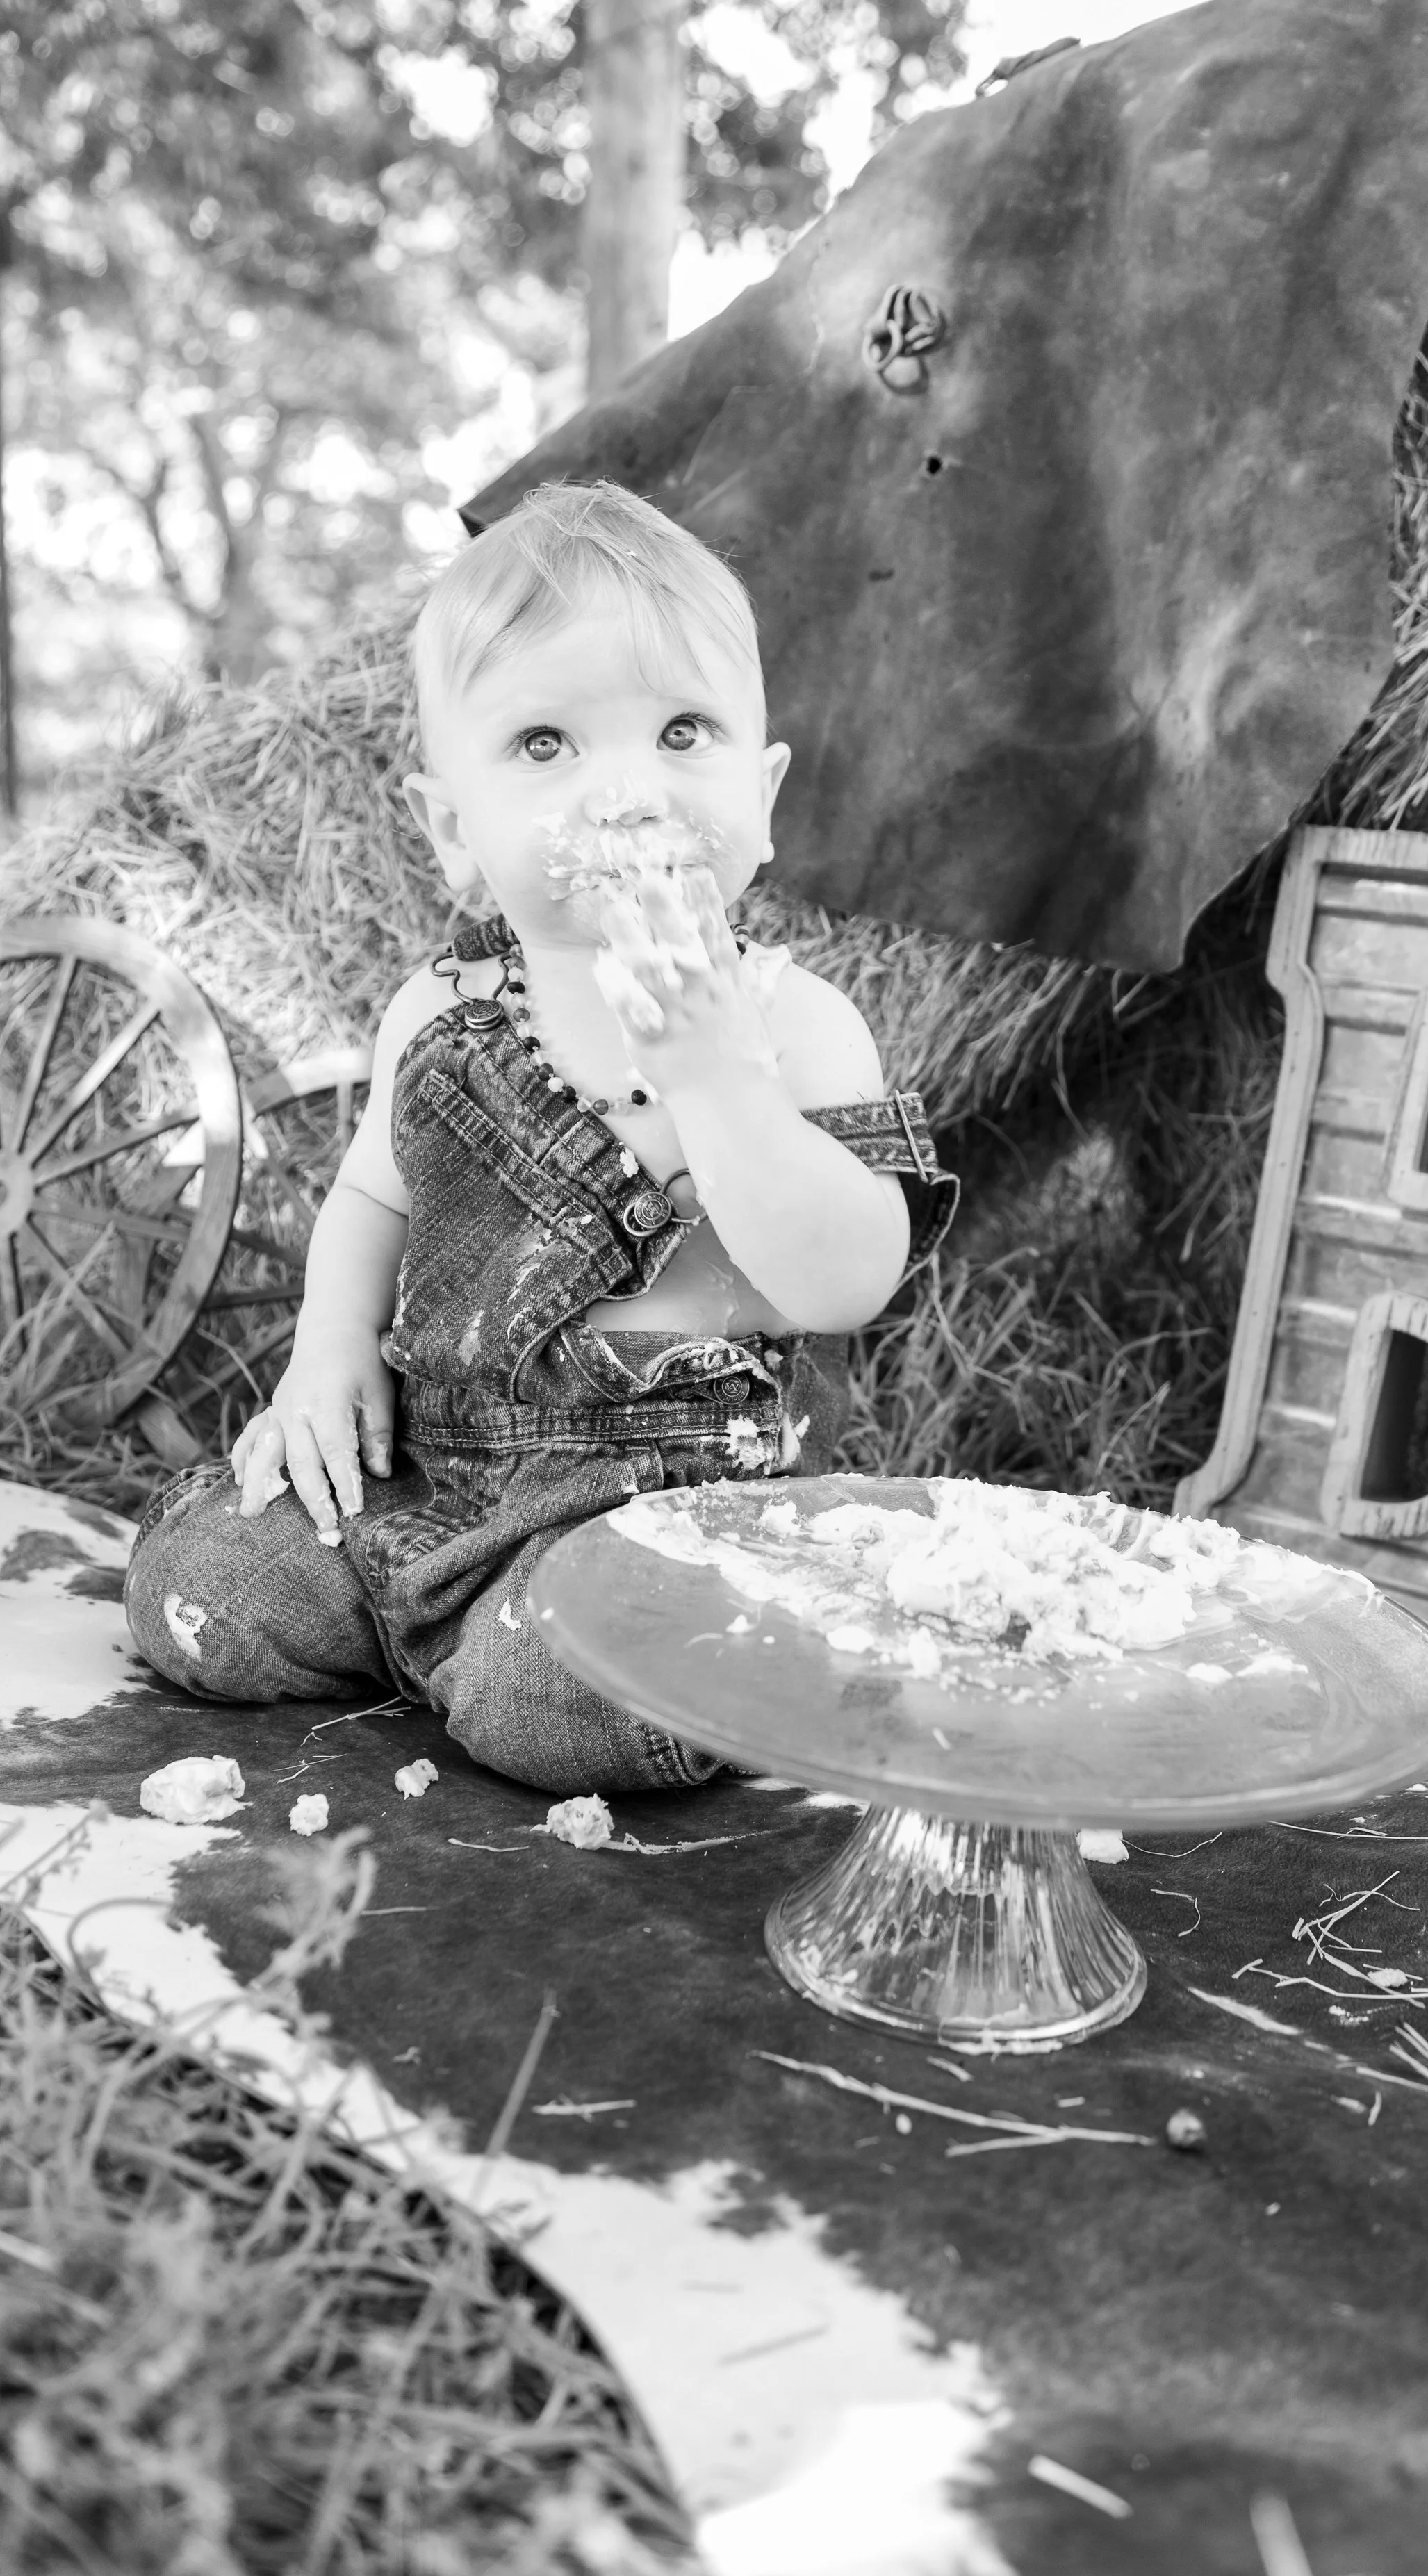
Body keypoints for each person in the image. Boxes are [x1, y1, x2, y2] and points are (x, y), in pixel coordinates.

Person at [124, 482, 957, 1794]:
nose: (625, 787)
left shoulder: (796, 1025)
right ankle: (439, 1624)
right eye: (546, 745)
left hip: (665, 1504)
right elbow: (368, 1198)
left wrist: (719, 1086)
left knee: (565, 1697)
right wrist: (329, 1350)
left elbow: (850, 1281)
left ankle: (508, 1658)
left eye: (683, 730)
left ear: (765, 789)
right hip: (431, 1466)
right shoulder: (438, 1011)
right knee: (204, 1587)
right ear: (455, 828)